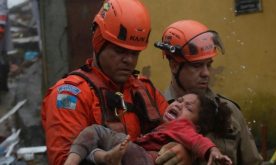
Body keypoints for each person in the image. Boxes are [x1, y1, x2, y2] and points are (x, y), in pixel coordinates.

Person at [41, 0, 174, 164]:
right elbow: (64, 160)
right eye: (120, 51)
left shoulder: (144, 88)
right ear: (99, 42)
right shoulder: (69, 94)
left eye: (135, 53)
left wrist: (182, 150)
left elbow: (179, 131)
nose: (129, 60)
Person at [154, 20, 263, 165]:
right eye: (197, 65)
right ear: (174, 65)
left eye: (209, 64)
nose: (206, 73)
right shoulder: (155, 111)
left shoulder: (229, 111)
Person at [64, 92, 233, 165]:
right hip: (131, 156)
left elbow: (197, 140)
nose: (179, 105)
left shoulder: (183, 126)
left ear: (195, 126)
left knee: (96, 132)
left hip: (142, 157)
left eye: (188, 108)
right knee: (93, 151)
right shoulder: (162, 123)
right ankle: (107, 158)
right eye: (179, 100)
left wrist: (213, 151)